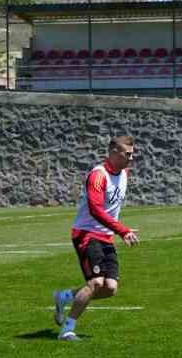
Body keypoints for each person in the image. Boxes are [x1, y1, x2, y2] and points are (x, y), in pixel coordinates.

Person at [51, 135, 139, 342]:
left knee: (110, 288)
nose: (132, 157)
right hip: (86, 233)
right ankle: (67, 330)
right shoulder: (98, 176)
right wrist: (123, 230)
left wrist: (116, 231)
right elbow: (96, 210)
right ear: (114, 153)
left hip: (105, 236)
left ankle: (64, 296)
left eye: (133, 153)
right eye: (128, 154)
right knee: (95, 283)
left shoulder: (124, 172)